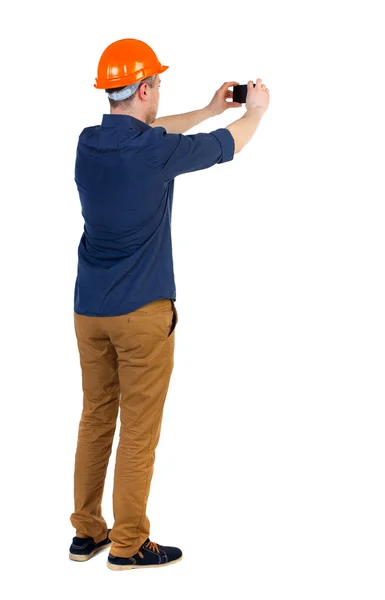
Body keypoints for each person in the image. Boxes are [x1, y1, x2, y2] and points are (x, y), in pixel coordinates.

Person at [68, 38, 270, 571]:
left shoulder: (89, 143)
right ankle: (130, 545)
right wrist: (255, 111)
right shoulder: (154, 152)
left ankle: (86, 533)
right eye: (155, 83)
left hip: (89, 311)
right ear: (143, 88)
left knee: (95, 419)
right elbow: (231, 144)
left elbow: (155, 133)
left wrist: (207, 108)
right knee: (138, 430)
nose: (160, 92)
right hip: (142, 315)